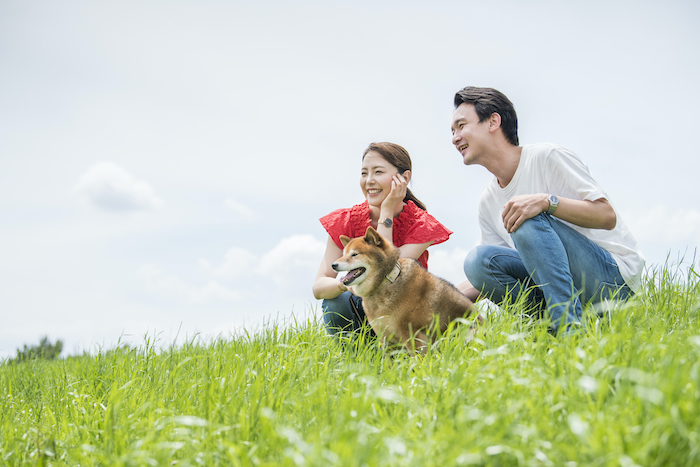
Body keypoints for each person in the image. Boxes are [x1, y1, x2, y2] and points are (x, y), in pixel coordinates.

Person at [451, 86, 645, 335]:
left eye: (461, 126)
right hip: (563, 291)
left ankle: (569, 330)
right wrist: (434, 298)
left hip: (611, 284)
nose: (455, 137)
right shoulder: (488, 201)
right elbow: (487, 271)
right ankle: (548, 327)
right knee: (477, 261)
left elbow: (606, 216)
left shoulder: (546, 157)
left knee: (526, 218)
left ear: (493, 121)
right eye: (453, 131)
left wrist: (546, 202)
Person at [313, 142, 453, 336]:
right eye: (364, 173)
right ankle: (357, 361)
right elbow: (319, 287)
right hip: (363, 313)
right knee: (336, 300)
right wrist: (344, 283)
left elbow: (388, 273)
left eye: (378, 172)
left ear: (404, 178)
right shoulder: (345, 221)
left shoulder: (421, 223)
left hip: (408, 320)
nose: (369, 180)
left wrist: (386, 211)